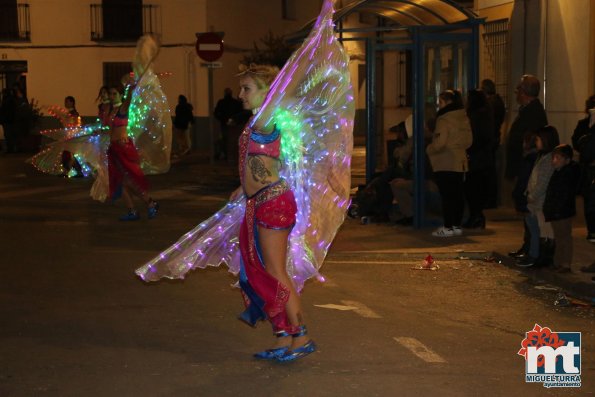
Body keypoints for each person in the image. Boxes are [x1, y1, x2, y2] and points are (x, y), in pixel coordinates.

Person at [135, 0, 354, 363]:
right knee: (262, 272)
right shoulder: (260, 124)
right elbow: (267, 160)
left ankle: (301, 337)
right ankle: (284, 336)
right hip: (260, 200)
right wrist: (244, 186)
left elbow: (291, 78)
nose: (240, 93)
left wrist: (318, 31)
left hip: (271, 203)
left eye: (247, 88)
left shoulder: (267, 119)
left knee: (276, 272)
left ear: (266, 92)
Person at [106, 83, 159, 221]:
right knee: (122, 182)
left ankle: (150, 202)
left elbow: (128, 99)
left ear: (120, 95)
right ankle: (132, 210)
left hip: (123, 148)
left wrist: (130, 90)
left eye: (114, 94)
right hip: (114, 149)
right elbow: (110, 130)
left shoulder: (122, 108)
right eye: (110, 94)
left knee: (129, 181)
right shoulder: (111, 111)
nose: (111, 97)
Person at [426, 90, 473, 237]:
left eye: (440, 102)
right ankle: (456, 225)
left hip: (445, 162)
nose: (439, 106)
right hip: (460, 161)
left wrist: (429, 148)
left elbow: (440, 143)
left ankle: (447, 227)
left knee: (447, 196)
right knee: (457, 195)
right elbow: (469, 141)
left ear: (447, 102)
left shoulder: (444, 119)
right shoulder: (463, 117)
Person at [516, 126, 559, 268]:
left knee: (541, 231)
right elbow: (534, 178)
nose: (536, 142)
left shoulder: (548, 159)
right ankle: (534, 255)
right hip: (534, 200)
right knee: (534, 229)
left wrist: (532, 195)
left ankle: (538, 256)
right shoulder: (541, 156)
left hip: (540, 202)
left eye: (539, 139)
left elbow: (543, 181)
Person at [542, 144, 580, 273]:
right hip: (556, 211)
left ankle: (565, 263)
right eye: (553, 158)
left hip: (563, 212)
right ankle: (558, 262)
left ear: (567, 160)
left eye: (558, 158)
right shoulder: (558, 173)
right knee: (559, 237)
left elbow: (564, 195)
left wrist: (557, 209)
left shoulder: (567, 174)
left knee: (565, 237)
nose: (554, 161)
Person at [505, 75, 548, 180]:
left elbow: (530, 142)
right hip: (521, 165)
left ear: (523, 92)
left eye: (518, 89)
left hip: (525, 168)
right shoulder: (528, 110)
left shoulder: (533, 113)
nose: (516, 92)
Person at [463, 89, 495, 229]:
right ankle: (477, 217)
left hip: (476, 160)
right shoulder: (486, 114)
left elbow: (474, 138)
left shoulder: (475, 116)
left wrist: (468, 149)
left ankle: (475, 217)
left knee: (472, 190)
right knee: (477, 190)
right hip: (483, 159)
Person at [571, 94, 595, 243]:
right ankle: (592, 229)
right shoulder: (583, 124)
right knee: (589, 200)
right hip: (588, 167)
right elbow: (576, 141)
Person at [480, 79, 505, 208]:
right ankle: (491, 199)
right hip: (494, 141)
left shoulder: (490, 105)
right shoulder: (497, 103)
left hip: (490, 142)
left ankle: (490, 200)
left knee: (489, 173)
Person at [214, 87, 243, 160]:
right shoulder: (235, 103)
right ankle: (231, 156)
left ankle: (226, 155)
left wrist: (222, 119)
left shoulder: (221, 102)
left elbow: (216, 112)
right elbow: (240, 112)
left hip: (224, 123)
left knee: (225, 139)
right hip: (234, 124)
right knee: (232, 140)